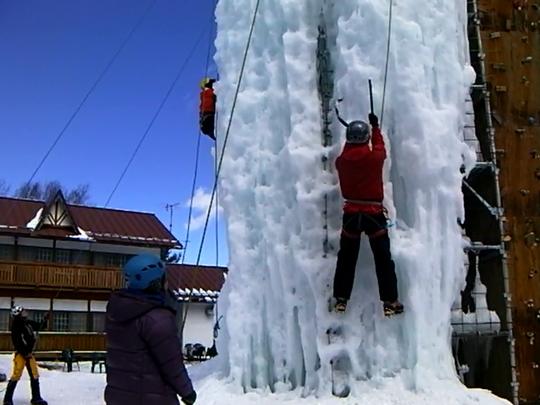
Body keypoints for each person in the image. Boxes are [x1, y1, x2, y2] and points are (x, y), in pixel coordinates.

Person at [332, 110, 404, 317]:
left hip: (351, 215)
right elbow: (380, 148)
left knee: (346, 258)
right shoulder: (374, 158)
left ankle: (341, 298)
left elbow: (348, 153)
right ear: (366, 139)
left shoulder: (341, 162)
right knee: (383, 260)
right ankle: (390, 301)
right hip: (373, 214)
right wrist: (376, 128)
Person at [105, 254, 196, 405]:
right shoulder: (157, 318)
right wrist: (187, 392)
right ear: (155, 282)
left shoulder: (117, 311)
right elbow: (171, 363)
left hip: (119, 396)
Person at [3, 306, 49, 405]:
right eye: (23, 311)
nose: (25, 312)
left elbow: (39, 326)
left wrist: (44, 319)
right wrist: (25, 353)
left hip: (29, 354)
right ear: (18, 314)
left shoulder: (27, 323)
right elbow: (17, 342)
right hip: (21, 354)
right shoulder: (16, 326)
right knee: (16, 375)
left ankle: (36, 398)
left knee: (34, 375)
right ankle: (7, 400)